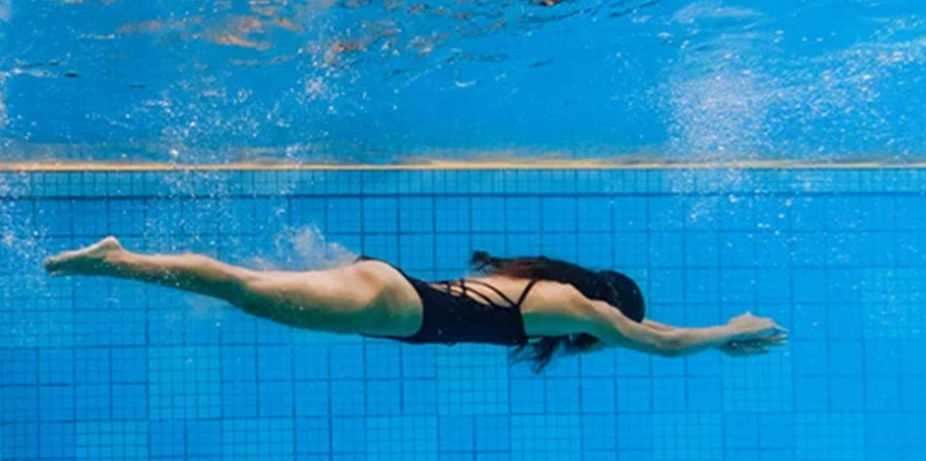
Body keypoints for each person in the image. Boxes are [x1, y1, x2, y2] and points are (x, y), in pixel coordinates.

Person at [44, 236, 786, 372]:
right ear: (606, 307)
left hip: (393, 292)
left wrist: (717, 332)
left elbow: (649, 328)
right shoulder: (577, 310)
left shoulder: (557, 294)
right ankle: (119, 261)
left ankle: (122, 263)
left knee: (251, 291)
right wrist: (728, 331)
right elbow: (653, 342)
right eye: (610, 322)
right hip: (395, 309)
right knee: (242, 290)